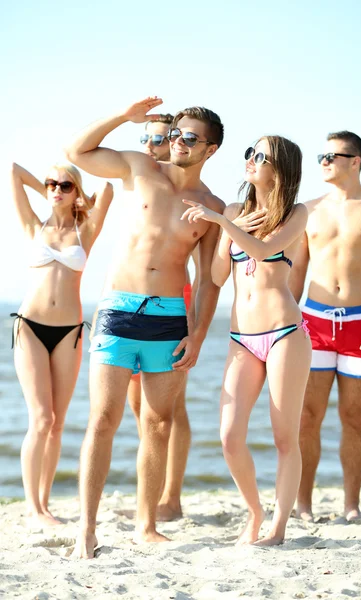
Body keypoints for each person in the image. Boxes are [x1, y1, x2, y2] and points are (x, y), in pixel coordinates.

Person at [65, 97, 225, 558]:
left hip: (171, 317)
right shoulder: (139, 169)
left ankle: (146, 523)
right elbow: (77, 151)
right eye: (176, 133)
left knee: (158, 423)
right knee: (102, 420)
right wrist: (123, 117)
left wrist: (198, 332)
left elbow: (210, 281)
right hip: (119, 309)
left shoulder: (210, 206)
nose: (178, 142)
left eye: (190, 137)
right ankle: (86, 529)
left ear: (209, 149)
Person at [182, 136, 311, 546]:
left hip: (285, 335)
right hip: (241, 338)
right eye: (250, 153)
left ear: (281, 169)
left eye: (262, 156)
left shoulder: (296, 213)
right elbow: (218, 276)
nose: (252, 161)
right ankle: (254, 513)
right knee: (229, 435)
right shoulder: (237, 211)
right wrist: (228, 228)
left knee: (284, 437)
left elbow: (266, 248)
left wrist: (225, 225)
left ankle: (278, 528)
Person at [289, 131, 361, 522]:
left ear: (356, 161)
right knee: (307, 415)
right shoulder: (308, 209)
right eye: (322, 155)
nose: (324, 161)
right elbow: (296, 271)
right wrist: (287, 320)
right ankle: (303, 504)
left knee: (355, 417)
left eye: (333, 156)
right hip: (313, 321)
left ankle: (351, 506)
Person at [10, 162, 113, 527]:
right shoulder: (34, 226)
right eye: (52, 183)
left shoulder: (85, 229)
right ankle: (32, 507)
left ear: (76, 190)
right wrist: (49, 192)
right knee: (40, 418)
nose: (55, 188)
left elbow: (107, 192)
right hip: (30, 327)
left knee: (57, 423)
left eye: (64, 184)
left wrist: (75, 196)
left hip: (69, 331)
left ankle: (45, 503)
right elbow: (14, 171)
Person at [130, 112, 199, 520]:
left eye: (159, 139)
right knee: (138, 407)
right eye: (146, 139)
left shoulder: (178, 181)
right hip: (130, 298)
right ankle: (150, 493)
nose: (150, 146)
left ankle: (171, 498)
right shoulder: (140, 178)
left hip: (174, 297)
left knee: (172, 407)